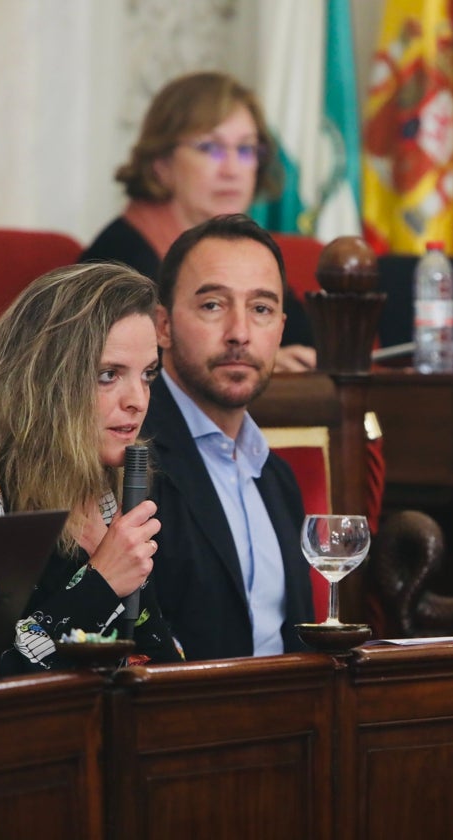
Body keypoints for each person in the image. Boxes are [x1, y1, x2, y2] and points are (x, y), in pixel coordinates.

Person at [0, 263, 182, 672]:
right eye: (108, 375)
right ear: (45, 380)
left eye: (148, 375)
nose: (138, 399)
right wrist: (100, 585)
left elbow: (155, 656)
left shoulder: (110, 485)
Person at [143, 213, 314, 660]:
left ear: (280, 328)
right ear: (162, 326)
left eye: (261, 309)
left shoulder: (277, 477)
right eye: (213, 305)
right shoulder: (129, 462)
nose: (239, 333)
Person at [82, 70, 317, 372]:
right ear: (161, 163)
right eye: (210, 148)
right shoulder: (117, 259)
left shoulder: (248, 255)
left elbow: (308, 346)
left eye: (246, 149)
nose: (232, 170)